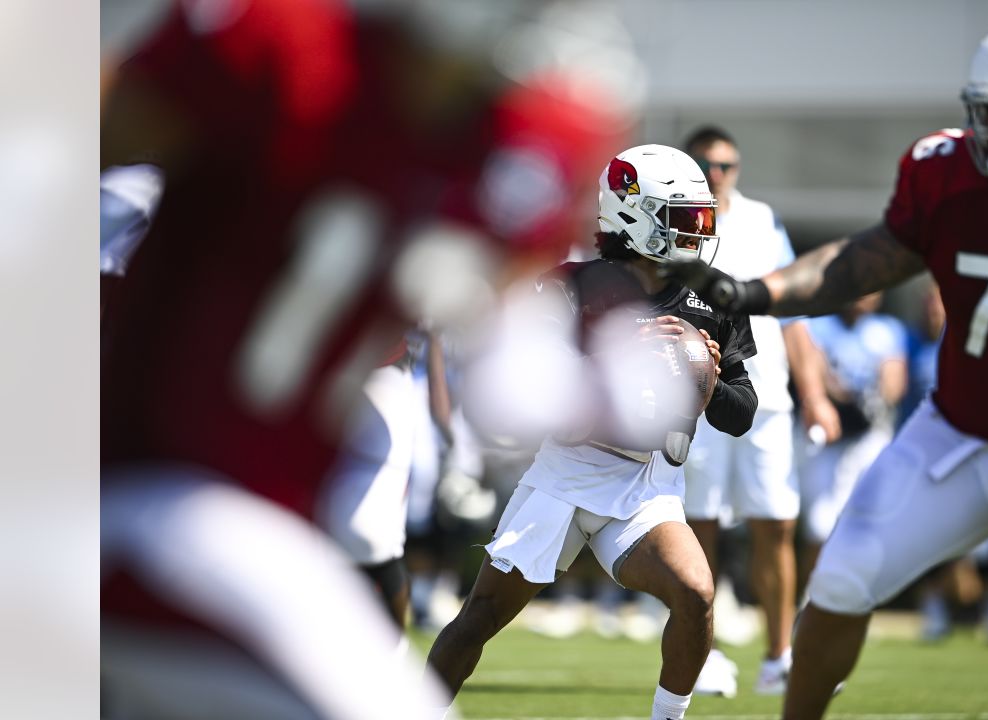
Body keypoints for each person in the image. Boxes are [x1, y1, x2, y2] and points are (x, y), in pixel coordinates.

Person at [99, 1, 633, 716]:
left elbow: (514, 388)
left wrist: (602, 384)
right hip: (133, 489)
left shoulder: (521, 142)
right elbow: (65, 139)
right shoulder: (280, 40)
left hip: (260, 511)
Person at [663, 19, 988, 720]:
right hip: (960, 434)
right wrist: (756, 293)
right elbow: (863, 262)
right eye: (984, 110)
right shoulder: (946, 171)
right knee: (842, 581)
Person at [427, 144, 758, 720]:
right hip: (565, 476)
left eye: (701, 219)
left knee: (697, 593)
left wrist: (706, 389)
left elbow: (741, 412)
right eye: (683, 218)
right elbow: (539, 392)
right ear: (633, 214)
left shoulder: (716, 298)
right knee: (479, 618)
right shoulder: (571, 286)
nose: (698, 233)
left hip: (645, 486)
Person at [678, 126, 840, 697]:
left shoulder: (764, 219)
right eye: (705, 164)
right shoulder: (674, 217)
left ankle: (779, 658)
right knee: (700, 526)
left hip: (766, 396)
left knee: (778, 524)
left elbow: (794, 314)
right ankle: (706, 654)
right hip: (699, 399)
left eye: (726, 165)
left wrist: (816, 394)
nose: (716, 174)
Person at [797, 292, 906, 591]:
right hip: (829, 435)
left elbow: (894, 379)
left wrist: (876, 400)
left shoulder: (886, 330)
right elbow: (816, 369)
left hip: (869, 436)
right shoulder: (819, 325)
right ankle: (812, 597)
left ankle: (858, 598)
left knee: (869, 522)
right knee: (821, 523)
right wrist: (841, 395)